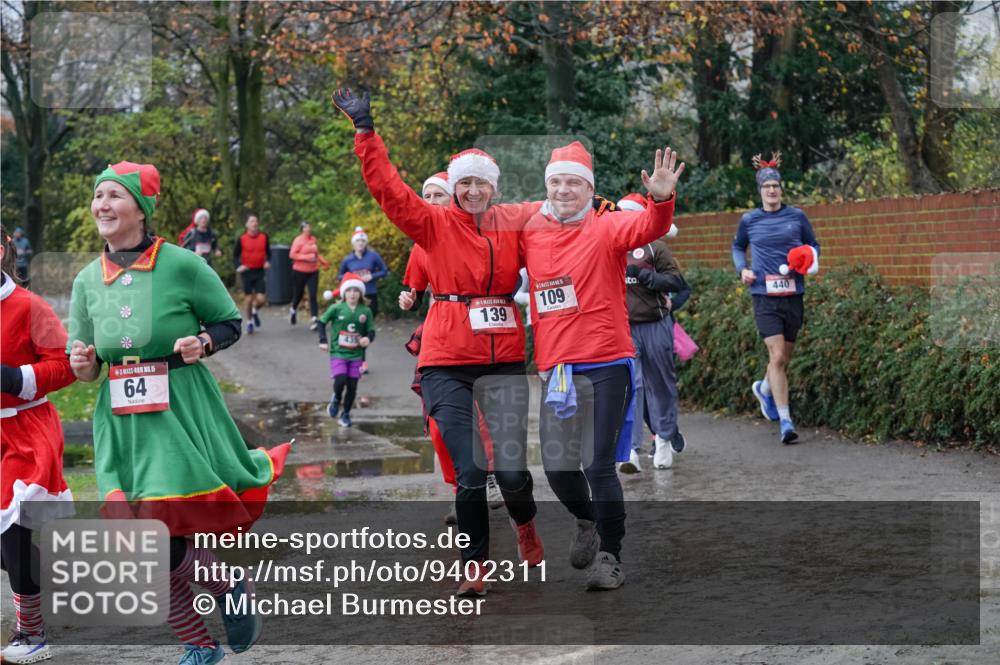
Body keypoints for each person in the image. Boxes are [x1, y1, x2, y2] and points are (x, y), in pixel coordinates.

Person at [67, 161, 290, 665]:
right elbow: (85, 365)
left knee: (158, 530)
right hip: (120, 419)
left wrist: (203, 341)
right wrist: (81, 362)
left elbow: (229, 322)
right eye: (98, 196)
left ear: (141, 210)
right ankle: (203, 635)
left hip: (176, 406)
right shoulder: (86, 280)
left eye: (113, 196)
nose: (102, 205)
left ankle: (216, 596)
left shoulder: (183, 265)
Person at [334, 87, 543, 597]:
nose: (472, 191)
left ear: (494, 189)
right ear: (453, 187)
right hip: (446, 360)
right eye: (464, 183)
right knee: (471, 470)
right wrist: (366, 133)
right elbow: (388, 190)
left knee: (512, 473)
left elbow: (569, 208)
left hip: (503, 360)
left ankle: (526, 527)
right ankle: (475, 564)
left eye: (480, 184)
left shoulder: (516, 221)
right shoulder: (432, 224)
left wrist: (634, 204)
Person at [521, 141, 683, 590]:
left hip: (608, 362)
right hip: (557, 370)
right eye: (556, 182)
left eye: (573, 181)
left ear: (590, 189)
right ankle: (587, 520)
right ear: (546, 188)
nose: (563, 189)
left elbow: (651, 223)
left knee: (597, 465)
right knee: (556, 469)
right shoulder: (530, 232)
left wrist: (662, 197)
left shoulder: (608, 227)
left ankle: (611, 557)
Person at [399, 173, 505, 524]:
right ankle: (463, 488)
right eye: (426, 194)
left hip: (479, 338)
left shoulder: (483, 232)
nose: (430, 200)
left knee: (478, 413)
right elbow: (413, 288)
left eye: (438, 194)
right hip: (439, 338)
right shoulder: (422, 241)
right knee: (439, 423)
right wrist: (408, 298)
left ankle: (489, 478)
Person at [1, 225, 75, 664]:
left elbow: (65, 365)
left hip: (25, 431)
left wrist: (15, 378)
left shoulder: (29, 306)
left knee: (14, 525)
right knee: (10, 549)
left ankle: (31, 631)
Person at [732, 152, 821, 444]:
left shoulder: (796, 217)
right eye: (767, 186)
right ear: (760, 191)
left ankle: (765, 388)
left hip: (793, 294)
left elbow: (813, 244)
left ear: (781, 189)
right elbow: (737, 247)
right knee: (778, 356)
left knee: (785, 358)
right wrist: (742, 269)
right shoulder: (750, 220)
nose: (772, 190)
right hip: (764, 295)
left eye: (776, 186)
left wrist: (811, 261)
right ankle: (786, 421)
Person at [616, 193, 691, 472]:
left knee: (660, 384)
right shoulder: (611, 246)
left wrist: (651, 279)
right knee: (630, 387)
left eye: (628, 214)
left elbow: (677, 281)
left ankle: (663, 439)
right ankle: (631, 450)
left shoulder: (654, 247)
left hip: (656, 323)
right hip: (624, 328)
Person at [317, 272, 374, 428]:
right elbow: (321, 322)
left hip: (356, 354)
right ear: (344, 292)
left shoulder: (365, 311)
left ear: (360, 293)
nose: (353, 294)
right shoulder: (336, 308)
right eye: (349, 290)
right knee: (341, 380)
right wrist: (323, 340)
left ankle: (346, 413)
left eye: (356, 290)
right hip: (338, 352)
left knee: (352, 386)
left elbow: (371, 331)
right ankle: (335, 399)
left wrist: (367, 339)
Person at [288, 221, 331, 330]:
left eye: (309, 227)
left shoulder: (313, 239)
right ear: (302, 229)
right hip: (299, 271)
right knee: (299, 294)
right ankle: (293, 310)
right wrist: (306, 257)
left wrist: (324, 262)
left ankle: (314, 319)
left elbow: (316, 255)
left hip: (313, 271)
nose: (308, 229)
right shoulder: (298, 240)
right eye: (306, 227)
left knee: (313, 295)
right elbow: (292, 254)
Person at [233, 215, 270, 335]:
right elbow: (235, 255)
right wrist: (239, 266)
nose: (254, 223)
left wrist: (268, 261)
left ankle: (255, 310)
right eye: (251, 221)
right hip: (247, 272)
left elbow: (269, 252)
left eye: (256, 221)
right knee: (248, 299)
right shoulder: (242, 238)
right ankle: (249, 322)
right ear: (247, 225)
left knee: (261, 299)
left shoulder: (264, 237)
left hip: (259, 271)